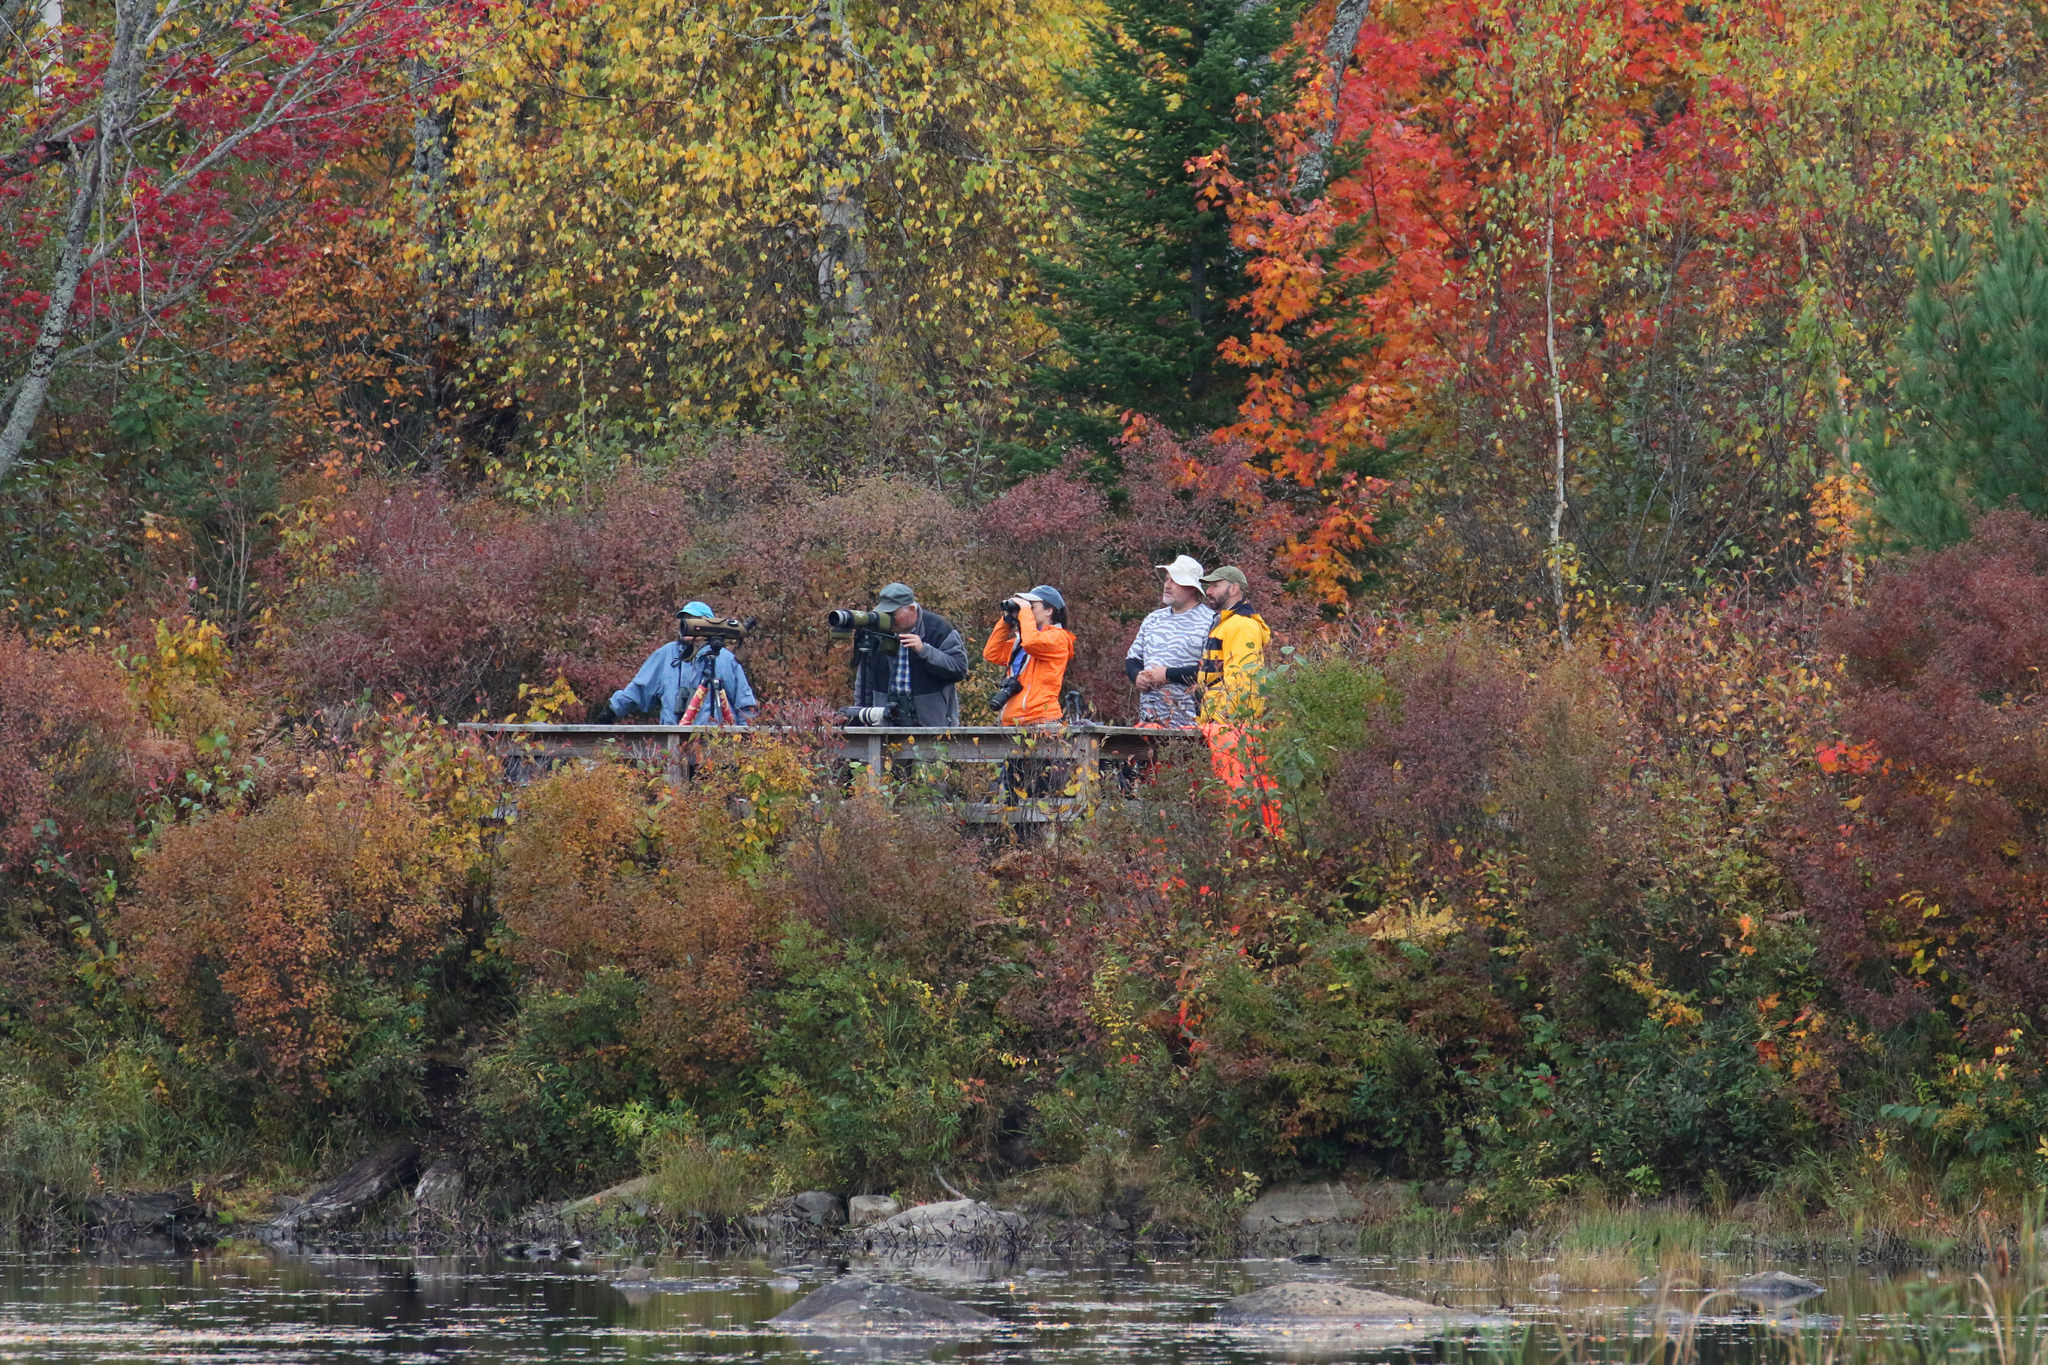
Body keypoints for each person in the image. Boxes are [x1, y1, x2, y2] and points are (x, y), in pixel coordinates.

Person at [1195, 566, 1281, 836]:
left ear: (1234, 588)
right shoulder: (1225, 623)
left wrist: (1225, 720)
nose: (1208, 591)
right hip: (1218, 723)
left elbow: (1244, 680)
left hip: (1231, 727)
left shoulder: (1242, 625)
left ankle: (1241, 844)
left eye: (1215, 586)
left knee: (1233, 791)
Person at [602, 601, 758, 725]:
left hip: (714, 751)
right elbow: (638, 690)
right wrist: (610, 711)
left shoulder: (725, 659)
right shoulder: (666, 655)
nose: (686, 625)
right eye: (684, 620)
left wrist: (745, 745)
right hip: (673, 747)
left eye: (692, 620)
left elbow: (744, 705)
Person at [851, 582, 969, 726]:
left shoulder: (938, 628)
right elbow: (865, 678)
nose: (888, 619)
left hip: (931, 725)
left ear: (912, 609)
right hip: (884, 723)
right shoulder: (878, 631)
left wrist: (924, 650)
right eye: (884, 613)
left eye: (892, 614)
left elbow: (959, 668)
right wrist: (862, 716)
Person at [1125, 554, 1215, 729]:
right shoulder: (1153, 619)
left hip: (1192, 728)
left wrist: (1167, 674)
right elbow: (1132, 658)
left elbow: (1212, 670)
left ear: (1192, 588)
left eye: (1175, 581)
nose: (1167, 585)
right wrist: (1137, 676)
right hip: (1149, 724)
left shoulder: (1211, 621)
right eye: (1167, 580)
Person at [983, 584, 1075, 725]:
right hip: (1011, 721)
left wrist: (1024, 610)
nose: (1027, 612)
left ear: (1049, 611)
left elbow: (1032, 643)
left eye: (1032, 607)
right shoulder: (1021, 642)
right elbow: (991, 653)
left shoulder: (1059, 638)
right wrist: (1006, 621)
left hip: (1041, 721)